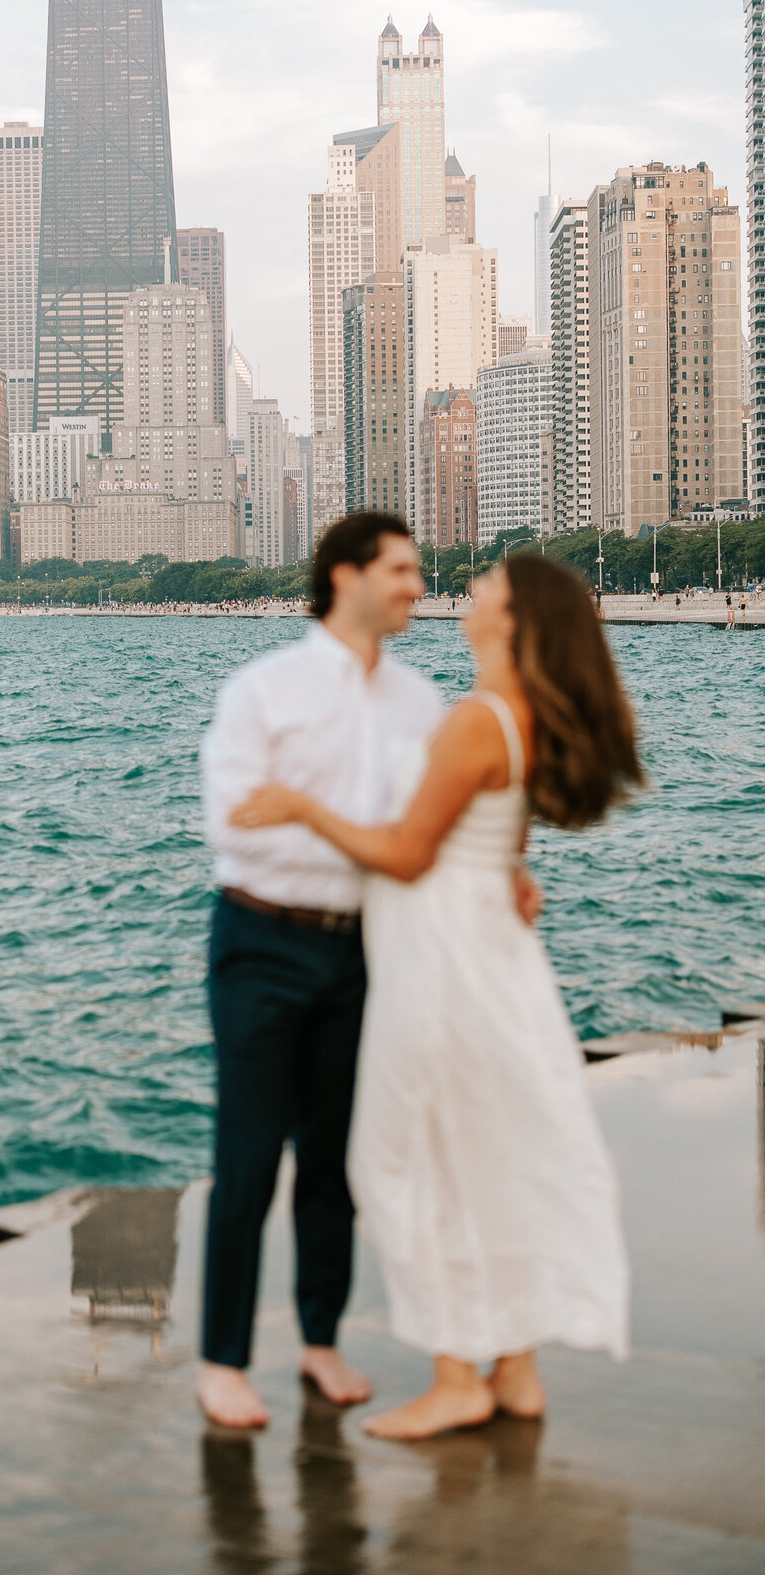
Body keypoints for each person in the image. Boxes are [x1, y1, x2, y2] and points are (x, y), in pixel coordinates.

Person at [232, 554, 641, 1439]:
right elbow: (496, 838)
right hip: (491, 953)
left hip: (440, 961)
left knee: (407, 1158)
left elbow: (409, 854)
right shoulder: (520, 715)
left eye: (488, 585)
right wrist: (513, 871)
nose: (470, 592)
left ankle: (458, 1375)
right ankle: (515, 1367)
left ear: (513, 620)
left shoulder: (476, 719)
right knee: (488, 1152)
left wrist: (302, 808)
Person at [196, 514, 441, 1430]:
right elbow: (231, 822)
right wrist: (367, 840)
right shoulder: (265, 690)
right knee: (250, 1156)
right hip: (260, 940)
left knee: (335, 1159)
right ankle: (223, 1361)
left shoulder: (421, 702)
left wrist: (305, 812)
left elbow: (425, 835)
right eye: (402, 569)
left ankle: (321, 1340)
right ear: (346, 576)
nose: (418, 587)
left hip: (363, 946)